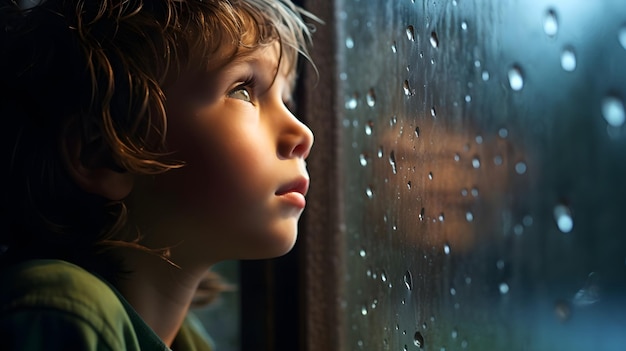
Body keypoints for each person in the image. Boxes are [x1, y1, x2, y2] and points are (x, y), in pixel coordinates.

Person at [0, 0, 317, 349]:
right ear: (102, 153)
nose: (302, 133)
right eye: (242, 90)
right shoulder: (60, 314)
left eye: (285, 99)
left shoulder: (189, 341)